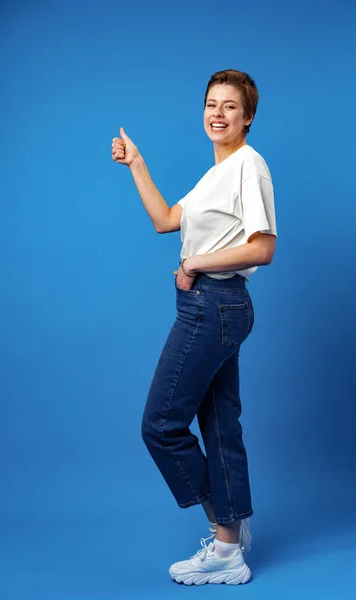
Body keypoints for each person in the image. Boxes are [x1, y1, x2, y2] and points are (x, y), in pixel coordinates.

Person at [111, 69, 277, 585]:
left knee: (160, 425)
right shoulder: (215, 174)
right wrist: (137, 164)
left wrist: (198, 263)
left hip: (214, 306)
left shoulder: (249, 166)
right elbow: (165, 219)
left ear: (247, 117)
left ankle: (226, 537)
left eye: (230, 106)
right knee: (221, 427)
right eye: (211, 104)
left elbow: (262, 247)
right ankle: (234, 540)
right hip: (213, 306)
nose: (218, 113)